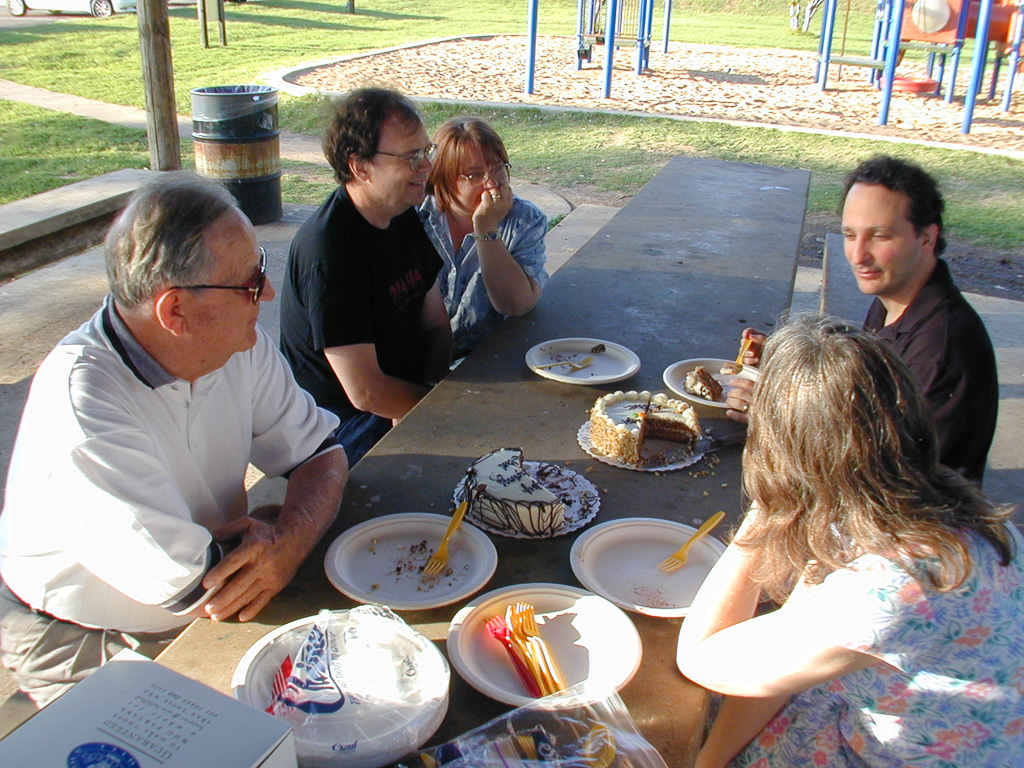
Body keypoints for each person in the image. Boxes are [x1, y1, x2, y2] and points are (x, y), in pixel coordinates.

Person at [0, 174, 348, 708]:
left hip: (210, 587)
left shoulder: (235, 341)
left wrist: (287, 537)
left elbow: (323, 456)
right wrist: (282, 535)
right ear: (175, 312)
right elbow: (196, 585)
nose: (269, 292)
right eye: (252, 282)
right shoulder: (83, 408)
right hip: (77, 628)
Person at [677, 316, 1022, 768]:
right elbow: (781, 650)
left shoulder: (893, 585)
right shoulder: (915, 500)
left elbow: (702, 657)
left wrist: (767, 508)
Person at [725, 156, 998, 483]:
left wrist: (777, 416)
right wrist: (794, 368)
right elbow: (867, 403)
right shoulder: (895, 300)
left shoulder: (941, 351)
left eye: (879, 236)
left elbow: (891, 479)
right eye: (850, 235)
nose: (857, 255)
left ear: (926, 237)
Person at [280, 88, 452, 465]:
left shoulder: (402, 212)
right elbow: (365, 393)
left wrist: (432, 395)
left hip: (402, 394)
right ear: (360, 167)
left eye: (426, 152)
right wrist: (436, 412)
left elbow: (438, 326)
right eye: (411, 157)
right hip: (336, 424)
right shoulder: (328, 252)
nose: (426, 167)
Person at [418, 117, 548, 358]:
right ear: (444, 178)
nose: (492, 183)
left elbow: (516, 305)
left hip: (484, 361)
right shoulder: (413, 217)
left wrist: (486, 227)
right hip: (415, 358)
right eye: (474, 175)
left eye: (498, 168)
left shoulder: (524, 220)